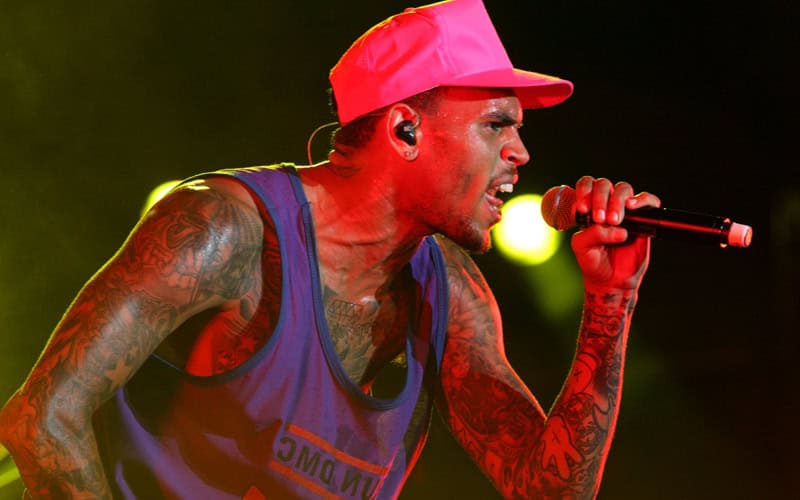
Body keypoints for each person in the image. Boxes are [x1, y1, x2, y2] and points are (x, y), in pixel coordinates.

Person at [0, 0, 661, 498]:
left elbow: (548, 490)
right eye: (497, 125)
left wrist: (611, 302)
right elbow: (42, 418)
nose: (521, 153)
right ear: (405, 129)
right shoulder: (224, 228)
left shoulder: (451, 295)